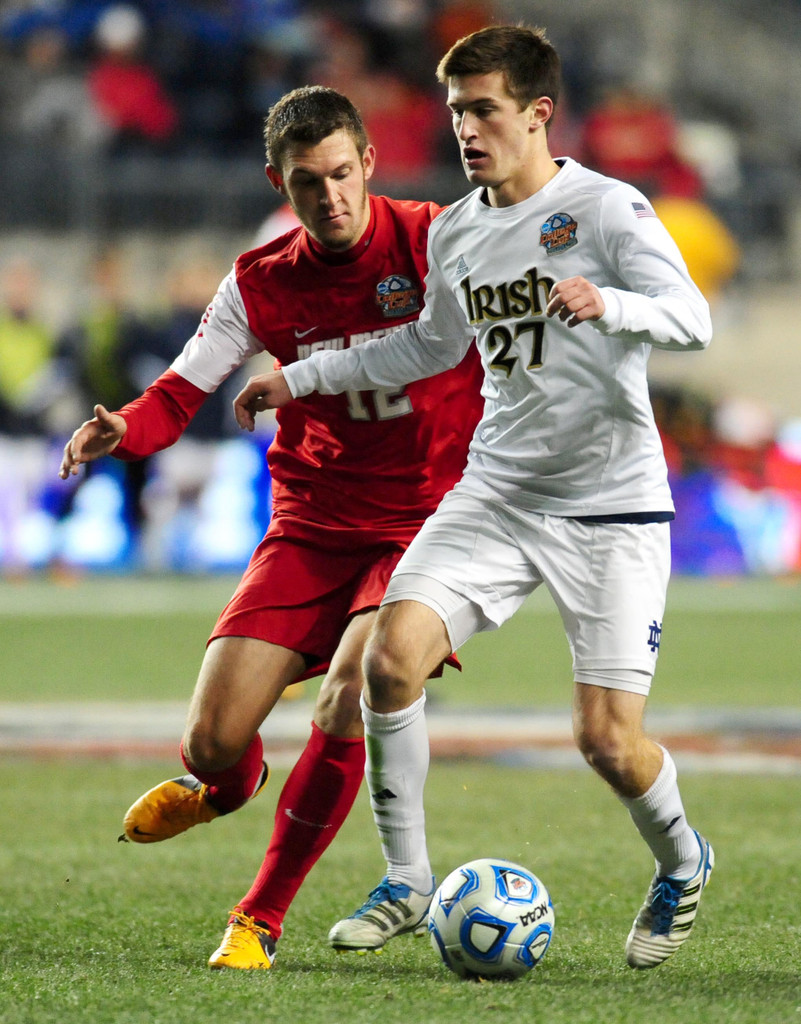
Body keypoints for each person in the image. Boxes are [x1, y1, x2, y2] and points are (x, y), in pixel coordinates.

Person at [234, 26, 715, 971]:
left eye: (483, 109)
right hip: (494, 490)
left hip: (607, 504)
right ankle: (408, 881)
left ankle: (681, 861)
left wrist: (609, 305)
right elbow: (424, 345)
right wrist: (304, 377)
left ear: (538, 114)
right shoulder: (456, 229)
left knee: (608, 743)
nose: (465, 128)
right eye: (456, 111)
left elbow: (690, 317)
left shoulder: (607, 209)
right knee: (386, 663)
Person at [58, 85, 483, 970]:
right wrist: (122, 429)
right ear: (277, 185)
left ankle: (257, 917)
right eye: (305, 182)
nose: (328, 197)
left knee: (357, 689)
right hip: (313, 521)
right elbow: (181, 389)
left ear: (368, 162)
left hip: (429, 521)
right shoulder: (260, 280)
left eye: (340, 173)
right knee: (210, 743)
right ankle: (230, 783)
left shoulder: (442, 241)